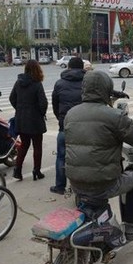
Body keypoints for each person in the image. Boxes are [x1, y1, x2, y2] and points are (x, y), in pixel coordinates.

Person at [65, 71, 133, 240]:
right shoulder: (113, 117)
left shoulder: (71, 114)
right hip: (104, 184)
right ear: (106, 89)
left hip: (76, 182)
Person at [50, 57, 85, 194]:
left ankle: (60, 186)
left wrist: (61, 118)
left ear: (69, 67)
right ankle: (82, 186)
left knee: (61, 156)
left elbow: (55, 105)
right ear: (82, 67)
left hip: (65, 126)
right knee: (84, 157)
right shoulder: (87, 82)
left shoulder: (59, 83)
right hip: (84, 127)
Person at [9, 60, 48, 181]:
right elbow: (43, 102)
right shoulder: (37, 84)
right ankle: (37, 171)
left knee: (24, 145)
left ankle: (17, 170)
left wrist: (19, 109)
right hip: (35, 119)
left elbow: (12, 98)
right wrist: (41, 113)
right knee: (37, 146)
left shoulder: (18, 82)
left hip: (21, 119)